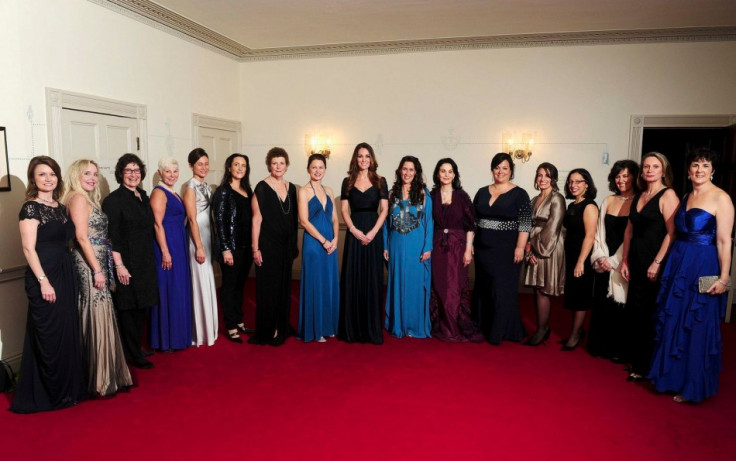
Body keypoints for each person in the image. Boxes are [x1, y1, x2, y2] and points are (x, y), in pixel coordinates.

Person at [648, 148, 734, 403]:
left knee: (698, 321)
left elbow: (724, 241)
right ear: (688, 169)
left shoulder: (722, 198)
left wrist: (724, 278)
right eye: (695, 165)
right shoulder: (686, 196)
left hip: (705, 265)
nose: (699, 170)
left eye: (705, 165)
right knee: (674, 318)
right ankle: (670, 379)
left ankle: (692, 386)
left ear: (713, 170)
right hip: (680, 263)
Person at [11, 156, 87, 413]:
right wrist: (44, 282)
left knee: (66, 331)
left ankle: (67, 391)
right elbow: (28, 249)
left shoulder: (60, 207)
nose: (48, 178)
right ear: (34, 179)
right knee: (48, 335)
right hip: (44, 277)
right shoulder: (30, 208)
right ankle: (48, 394)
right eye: (42, 174)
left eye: (52, 173)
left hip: (65, 274)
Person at [62, 159, 133, 397]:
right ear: (76, 176)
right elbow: (82, 237)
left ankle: (105, 375)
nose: (93, 178)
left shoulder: (83, 198)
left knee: (100, 310)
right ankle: (99, 379)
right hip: (89, 264)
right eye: (87, 174)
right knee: (95, 311)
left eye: (95, 174)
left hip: (97, 261)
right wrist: (98, 270)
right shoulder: (78, 198)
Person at [620, 152, 679, 381]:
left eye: (655, 166)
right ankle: (636, 359)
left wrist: (657, 262)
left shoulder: (668, 195)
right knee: (635, 310)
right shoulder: (640, 195)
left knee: (648, 313)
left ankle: (645, 366)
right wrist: (625, 259)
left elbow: (673, 233)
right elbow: (629, 230)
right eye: (646, 166)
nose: (650, 170)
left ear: (663, 170)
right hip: (635, 259)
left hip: (654, 262)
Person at [103, 153, 158, 369]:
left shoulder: (143, 196)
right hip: (125, 262)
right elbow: (112, 237)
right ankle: (132, 354)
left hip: (144, 260)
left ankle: (136, 347)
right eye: (128, 170)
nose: (133, 174)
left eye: (136, 170)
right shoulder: (113, 201)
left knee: (141, 307)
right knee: (128, 310)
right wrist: (120, 265)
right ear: (120, 173)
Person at [472, 153, 532, 345]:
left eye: (505, 168)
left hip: (507, 250)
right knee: (483, 288)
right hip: (482, 249)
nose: (500, 171)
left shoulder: (520, 194)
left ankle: (500, 330)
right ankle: (482, 325)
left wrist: (520, 247)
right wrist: (469, 245)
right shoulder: (481, 192)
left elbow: (525, 224)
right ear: (492, 170)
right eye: (497, 167)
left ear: (511, 171)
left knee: (501, 289)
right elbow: (473, 220)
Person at [338, 142, 389, 344]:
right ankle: (352, 329)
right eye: (360, 156)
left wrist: (373, 232)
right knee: (353, 277)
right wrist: (354, 231)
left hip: (373, 233)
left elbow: (384, 210)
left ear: (372, 159)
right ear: (355, 158)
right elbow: (344, 210)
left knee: (372, 278)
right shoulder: (347, 181)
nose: (363, 159)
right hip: (354, 232)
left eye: (367, 156)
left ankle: (370, 330)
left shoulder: (380, 180)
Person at [587, 160, 639, 361]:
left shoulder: (640, 201)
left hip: (623, 261)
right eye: (618, 176)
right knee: (602, 302)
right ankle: (600, 346)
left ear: (635, 176)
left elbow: (634, 235)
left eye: (626, 175)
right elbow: (598, 232)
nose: (621, 180)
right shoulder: (608, 200)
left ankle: (618, 349)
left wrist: (617, 260)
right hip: (603, 261)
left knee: (621, 304)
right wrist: (601, 257)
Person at [249, 147, 298, 346]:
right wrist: (255, 249)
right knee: (269, 289)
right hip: (268, 246)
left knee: (284, 288)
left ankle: (282, 325)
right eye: (274, 163)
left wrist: (294, 245)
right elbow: (256, 220)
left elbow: (294, 219)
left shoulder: (292, 188)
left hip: (286, 246)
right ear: (269, 165)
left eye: (282, 163)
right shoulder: (261, 187)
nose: (278, 166)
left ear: (286, 165)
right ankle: (269, 330)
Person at [428, 158, 481, 342]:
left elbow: (470, 225)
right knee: (439, 285)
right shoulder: (431, 195)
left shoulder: (462, 196)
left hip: (458, 246)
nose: (446, 174)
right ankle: (440, 324)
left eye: (450, 171)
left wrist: (468, 248)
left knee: (455, 286)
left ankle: (455, 325)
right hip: (437, 246)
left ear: (455, 174)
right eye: (443, 171)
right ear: (437, 173)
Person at [383, 156, 433, 338]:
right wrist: (385, 245)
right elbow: (385, 223)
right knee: (397, 283)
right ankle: (398, 325)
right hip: (395, 245)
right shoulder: (390, 194)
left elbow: (429, 222)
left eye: (411, 170)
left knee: (415, 285)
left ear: (416, 172)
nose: (407, 173)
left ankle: (413, 326)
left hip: (417, 246)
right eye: (405, 169)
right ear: (399, 170)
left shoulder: (423, 194)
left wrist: (427, 247)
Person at [150, 157, 193, 351]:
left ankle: (178, 335)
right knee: (169, 289)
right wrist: (165, 252)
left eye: (175, 171)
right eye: (168, 171)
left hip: (178, 243)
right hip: (167, 245)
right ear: (160, 173)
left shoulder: (172, 191)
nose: (172, 175)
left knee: (177, 289)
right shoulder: (159, 193)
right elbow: (157, 224)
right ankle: (167, 338)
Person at [212, 153, 254, 343]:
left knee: (240, 286)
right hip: (232, 248)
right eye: (236, 164)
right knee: (229, 287)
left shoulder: (248, 190)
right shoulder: (223, 191)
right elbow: (219, 223)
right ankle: (230, 325)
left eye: (243, 165)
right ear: (229, 167)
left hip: (246, 247)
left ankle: (238, 320)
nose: (239, 168)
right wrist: (226, 249)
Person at [522, 162, 566, 346]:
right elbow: (527, 225)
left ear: (553, 178)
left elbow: (553, 227)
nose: (543, 179)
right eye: (540, 175)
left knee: (543, 289)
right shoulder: (533, 199)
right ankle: (542, 328)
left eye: (547, 175)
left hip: (549, 246)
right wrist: (526, 247)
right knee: (536, 288)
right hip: (533, 245)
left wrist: (534, 246)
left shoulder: (557, 198)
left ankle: (542, 330)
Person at [297, 154, 340, 342]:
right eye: (314, 167)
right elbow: (304, 221)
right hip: (315, 243)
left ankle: (328, 326)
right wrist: (324, 241)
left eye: (321, 167)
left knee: (328, 283)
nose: (317, 170)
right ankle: (315, 329)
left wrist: (336, 239)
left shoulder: (329, 190)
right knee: (315, 283)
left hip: (331, 244)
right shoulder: (303, 191)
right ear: (308, 169)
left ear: (325, 169)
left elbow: (336, 219)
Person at [560, 169, 599, 351]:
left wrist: (581, 261)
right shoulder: (572, 206)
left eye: (578, 181)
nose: (573, 185)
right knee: (574, 295)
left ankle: (576, 334)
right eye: (570, 182)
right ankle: (575, 331)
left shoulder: (590, 206)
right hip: (571, 255)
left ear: (587, 184)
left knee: (581, 296)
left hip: (581, 258)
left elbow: (590, 236)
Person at [183, 148, 219, 346]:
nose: (204, 167)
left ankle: (209, 328)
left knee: (207, 280)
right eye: (199, 164)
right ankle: (200, 332)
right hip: (197, 238)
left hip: (207, 236)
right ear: (191, 166)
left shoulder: (206, 187)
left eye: (206, 163)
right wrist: (198, 246)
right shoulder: (190, 187)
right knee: (200, 281)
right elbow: (191, 218)